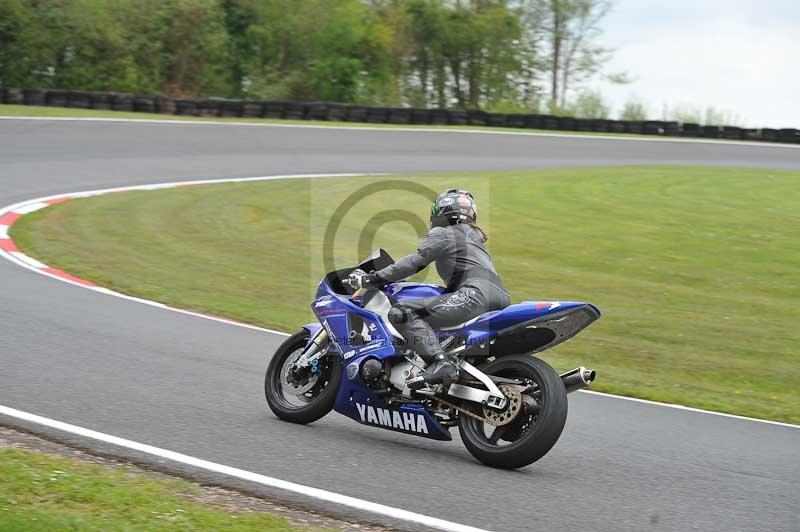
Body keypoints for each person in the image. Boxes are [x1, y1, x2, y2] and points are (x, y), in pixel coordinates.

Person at [349, 188, 510, 389]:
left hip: (474, 295)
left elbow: (415, 262)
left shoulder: (443, 233)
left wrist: (374, 278)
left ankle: (440, 361)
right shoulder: (474, 238)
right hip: (500, 297)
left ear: (440, 210)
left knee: (403, 312)